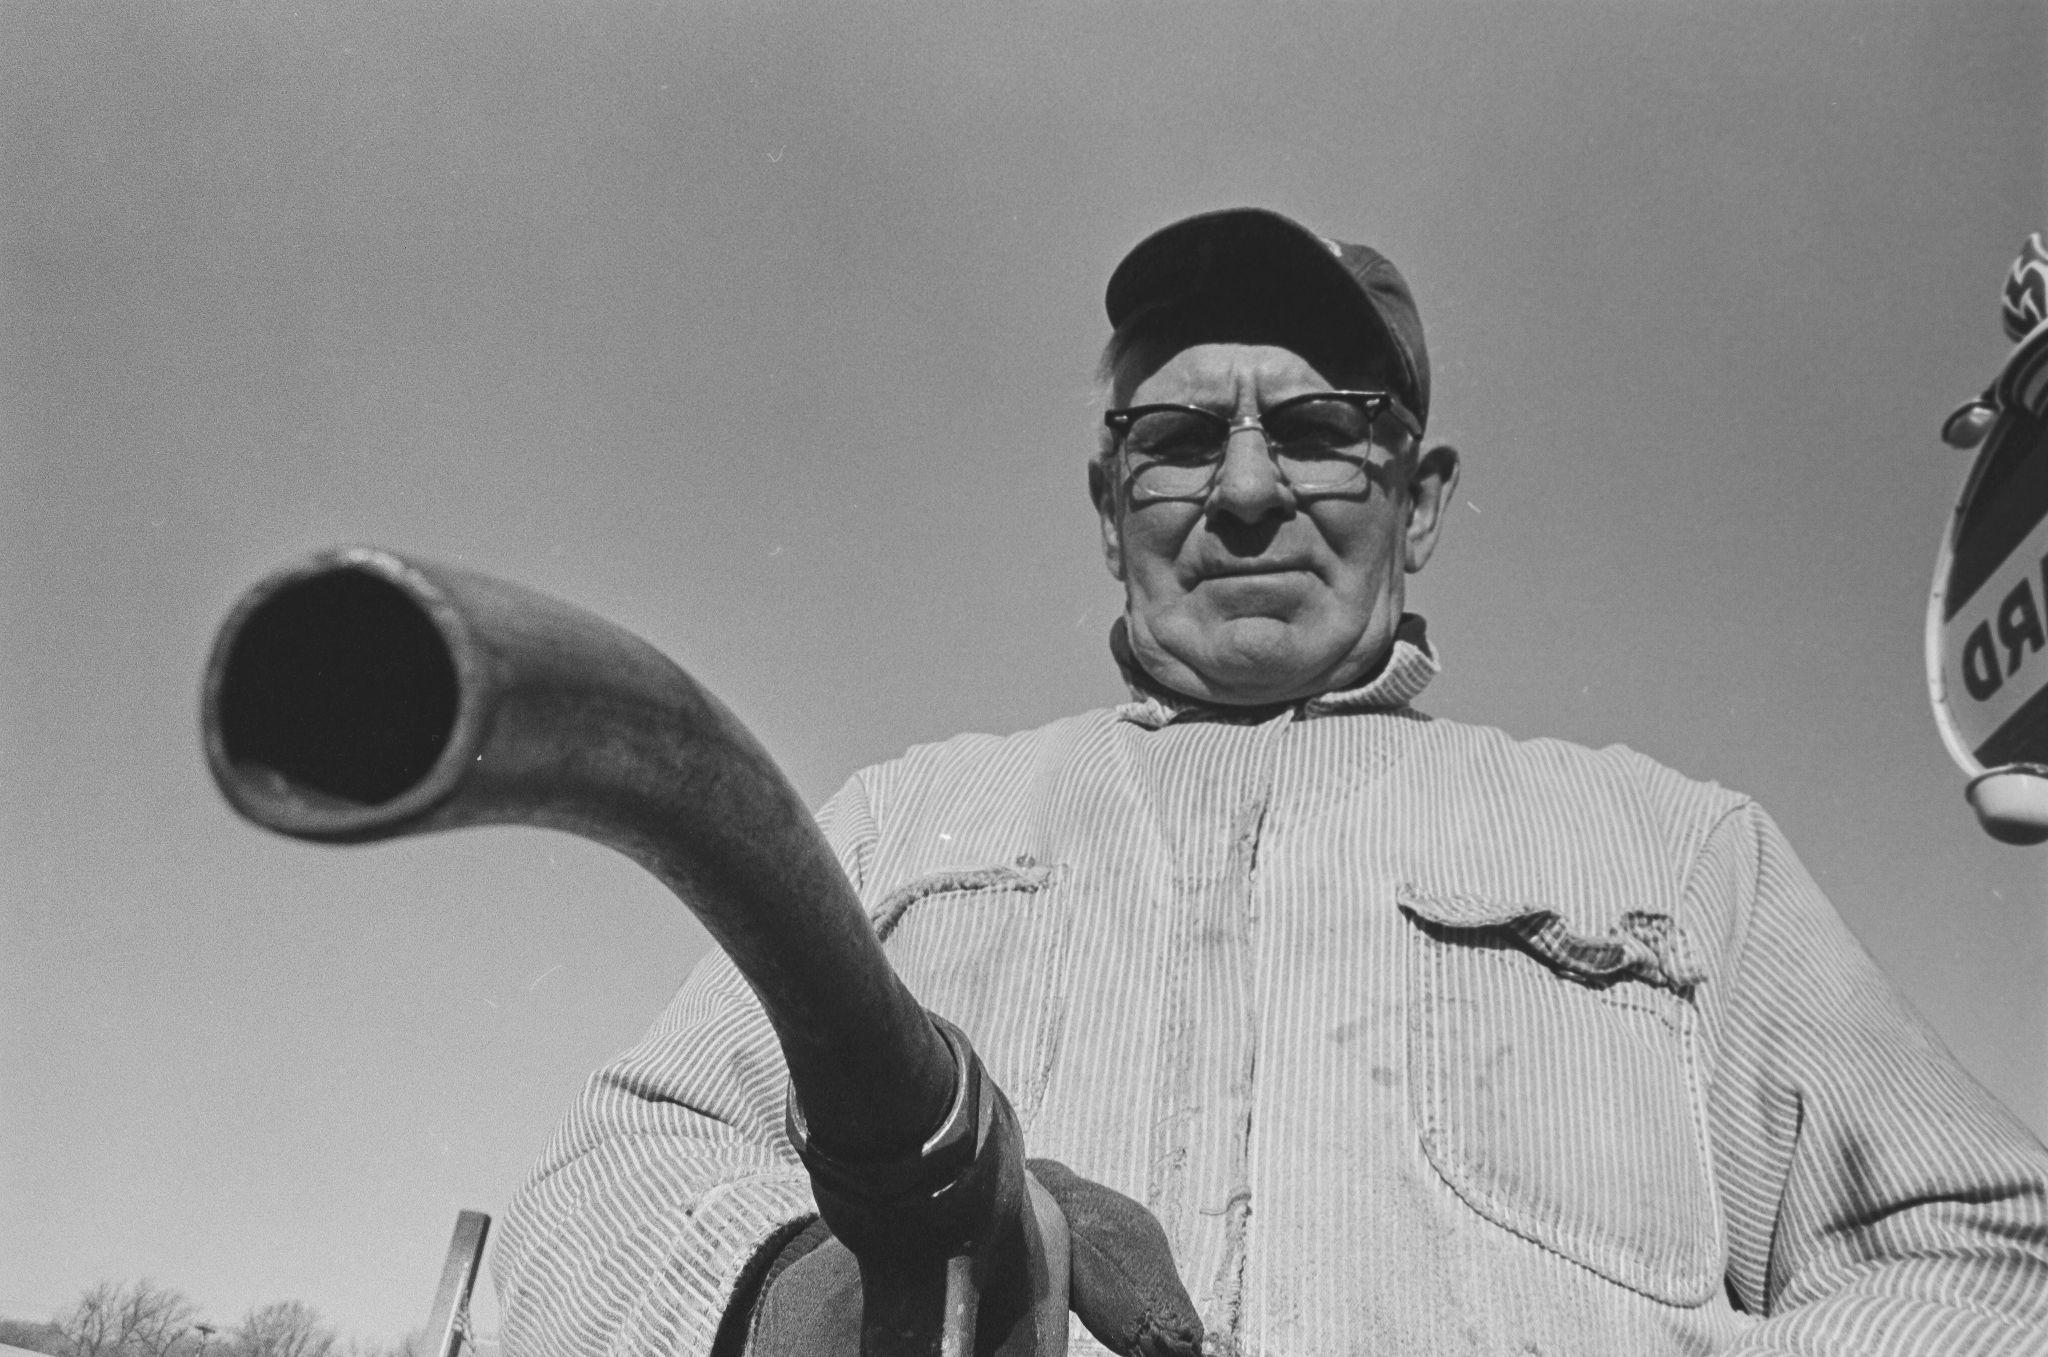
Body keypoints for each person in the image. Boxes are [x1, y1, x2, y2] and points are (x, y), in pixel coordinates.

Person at [492, 208, 2048, 1354]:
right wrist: (820, 1295)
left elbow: (1994, 1262)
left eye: (1316, 429)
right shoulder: (905, 822)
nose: (1244, 490)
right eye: (1178, 439)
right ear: (1110, 502)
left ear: (1417, 501)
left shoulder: (1681, 849)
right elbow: (597, 1194)